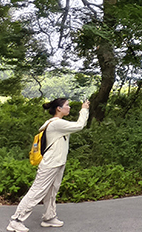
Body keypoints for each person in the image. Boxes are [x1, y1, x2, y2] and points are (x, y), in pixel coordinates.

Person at [8, 98, 89, 232]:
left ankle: (49, 217)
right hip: (50, 164)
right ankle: (16, 220)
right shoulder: (56, 124)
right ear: (59, 108)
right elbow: (79, 125)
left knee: (52, 192)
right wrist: (84, 109)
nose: (69, 108)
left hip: (58, 162)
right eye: (67, 105)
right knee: (37, 191)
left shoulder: (57, 124)